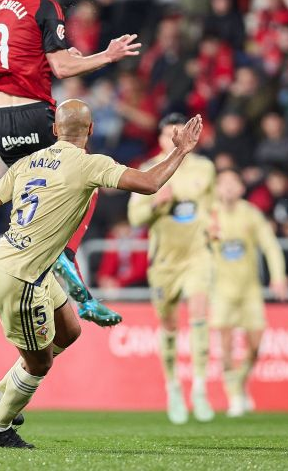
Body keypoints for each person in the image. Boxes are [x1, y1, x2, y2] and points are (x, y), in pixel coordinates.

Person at [0, 101, 203, 448]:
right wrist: (180, 151)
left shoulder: (27, 163)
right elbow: (150, 183)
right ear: (90, 131)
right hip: (22, 278)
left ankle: (3, 390)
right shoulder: (90, 165)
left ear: (55, 130)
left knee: (69, 330)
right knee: (39, 363)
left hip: (10, 261)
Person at [0, 0, 141, 326]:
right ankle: (73, 277)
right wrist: (107, 55)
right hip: (34, 115)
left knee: (38, 197)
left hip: (1, 123)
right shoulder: (43, 7)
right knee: (84, 184)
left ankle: (40, 278)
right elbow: (63, 65)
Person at [127, 113, 217, 425]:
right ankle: (173, 387)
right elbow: (135, 219)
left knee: (200, 313)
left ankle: (201, 388)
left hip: (197, 256)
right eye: (168, 135)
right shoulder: (149, 169)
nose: (173, 140)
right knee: (168, 326)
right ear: (161, 138)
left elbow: (211, 204)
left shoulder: (205, 168)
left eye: (178, 134)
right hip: (164, 262)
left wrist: (214, 225)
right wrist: (155, 204)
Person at [210, 168, 288, 417]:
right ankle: (234, 396)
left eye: (234, 182)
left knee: (255, 345)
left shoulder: (251, 214)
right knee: (226, 346)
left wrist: (277, 277)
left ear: (242, 188)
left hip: (250, 290)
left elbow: (270, 245)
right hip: (221, 290)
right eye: (224, 183)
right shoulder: (210, 215)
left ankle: (240, 383)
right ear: (217, 188)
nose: (229, 188)